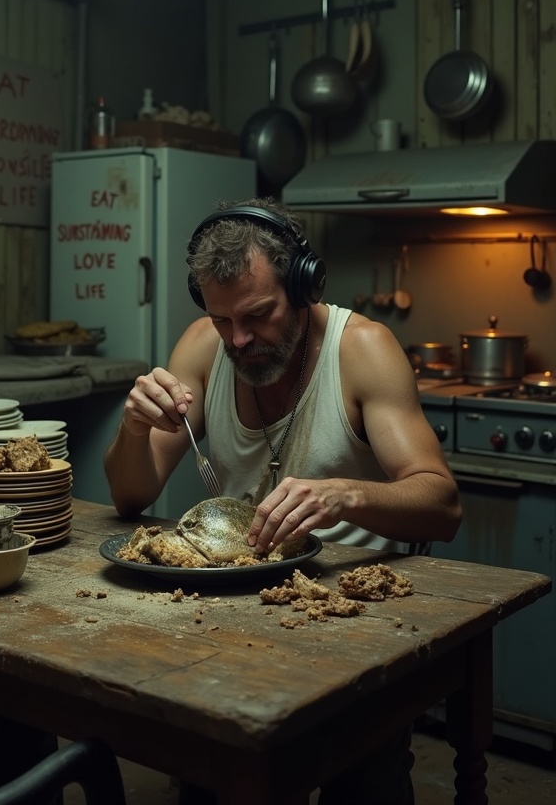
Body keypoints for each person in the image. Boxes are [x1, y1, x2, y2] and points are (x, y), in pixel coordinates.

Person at [104, 197, 462, 805]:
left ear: (303, 284)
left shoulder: (364, 350)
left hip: (352, 625)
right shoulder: (202, 347)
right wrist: (134, 428)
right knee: (210, 777)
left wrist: (345, 493)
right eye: (223, 322)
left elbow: (443, 506)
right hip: (228, 617)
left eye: (258, 315)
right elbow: (131, 494)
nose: (240, 341)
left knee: (364, 785)